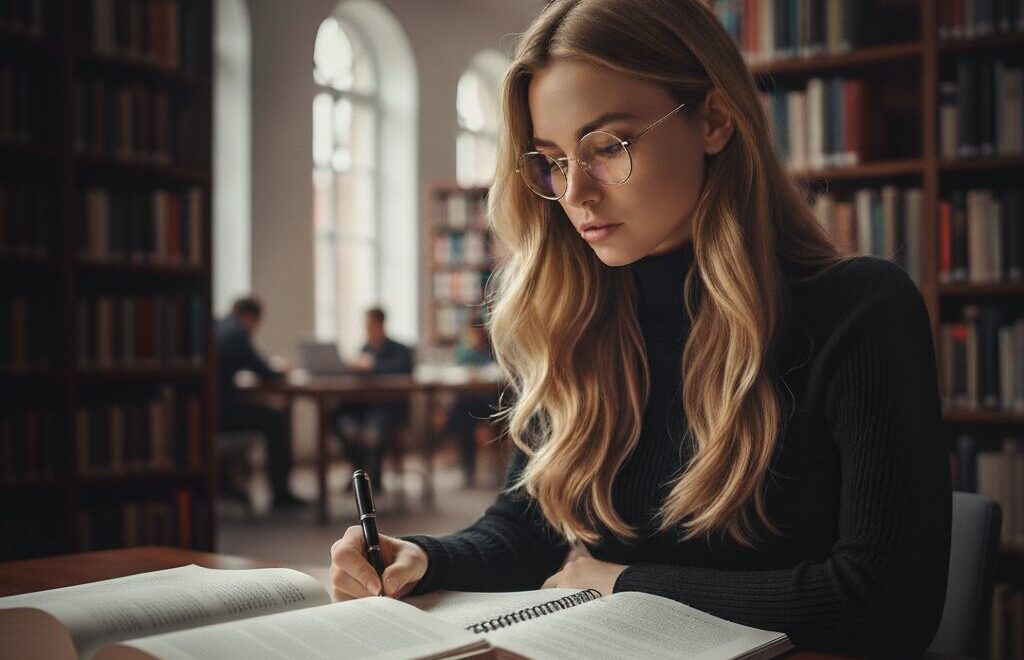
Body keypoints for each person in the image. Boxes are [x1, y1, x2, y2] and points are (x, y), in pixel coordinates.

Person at [329, 1, 951, 656]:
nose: (575, 194)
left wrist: (626, 583)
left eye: (606, 147)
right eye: (552, 160)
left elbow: (885, 605)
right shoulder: (576, 314)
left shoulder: (860, 311)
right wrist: (424, 558)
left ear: (714, 119)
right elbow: (528, 529)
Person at [216, 296, 307, 509]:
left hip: (210, 411)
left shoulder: (220, 327)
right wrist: (280, 370)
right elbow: (263, 370)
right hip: (222, 415)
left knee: (267, 414)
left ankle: (228, 485)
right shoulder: (237, 334)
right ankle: (281, 494)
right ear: (250, 317)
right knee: (276, 420)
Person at [332, 307, 414, 492]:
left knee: (373, 431)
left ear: (380, 325)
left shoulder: (400, 349)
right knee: (339, 420)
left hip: (389, 407)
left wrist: (372, 365)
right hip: (365, 406)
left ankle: (372, 479)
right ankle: (359, 474)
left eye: (370, 325)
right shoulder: (365, 348)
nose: (367, 330)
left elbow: (403, 369)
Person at [442, 319, 499, 487]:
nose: (472, 336)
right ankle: (468, 466)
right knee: (464, 412)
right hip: (470, 402)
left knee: (461, 412)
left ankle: (447, 432)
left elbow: (498, 373)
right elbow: (456, 369)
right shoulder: (464, 350)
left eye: (474, 333)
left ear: (482, 333)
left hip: (490, 402)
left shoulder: (492, 350)